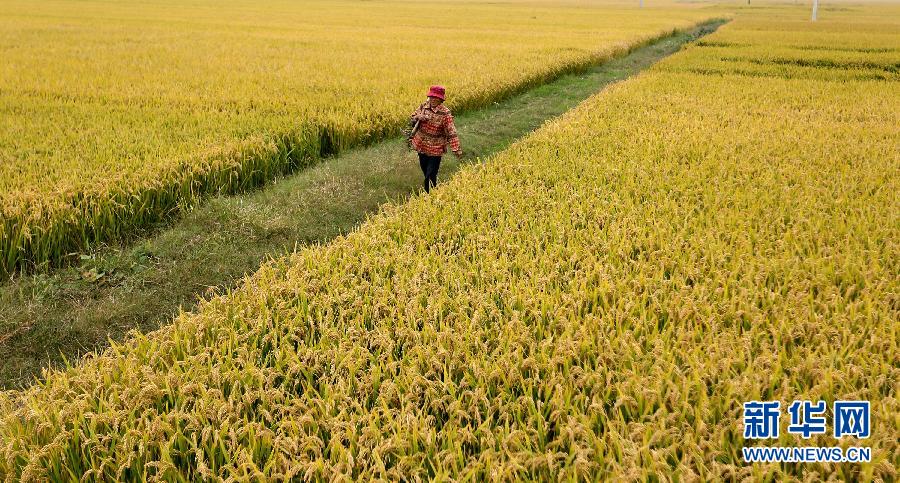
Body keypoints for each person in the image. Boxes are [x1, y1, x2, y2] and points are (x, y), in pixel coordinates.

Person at [408, 85, 462, 193]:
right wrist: (418, 117)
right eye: (431, 97)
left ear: (440, 99)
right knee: (425, 171)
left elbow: (451, 131)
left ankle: (429, 196)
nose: (433, 99)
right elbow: (412, 118)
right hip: (421, 145)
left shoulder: (445, 113)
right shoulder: (423, 107)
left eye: (435, 97)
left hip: (435, 148)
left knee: (430, 173)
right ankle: (434, 190)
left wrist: (455, 148)